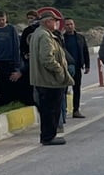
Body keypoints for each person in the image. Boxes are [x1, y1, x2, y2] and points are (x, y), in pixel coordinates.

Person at [29, 11, 74, 145]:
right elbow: (47, 59)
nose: (57, 23)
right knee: (51, 110)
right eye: (54, 21)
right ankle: (49, 136)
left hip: (44, 80)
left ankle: (48, 135)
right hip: (49, 80)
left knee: (47, 110)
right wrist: (60, 70)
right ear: (47, 22)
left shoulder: (39, 34)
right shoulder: (44, 36)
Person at [0, 11, 22, 107]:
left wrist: (17, 61)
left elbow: (16, 45)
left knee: (11, 80)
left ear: (6, 19)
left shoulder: (11, 29)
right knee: (1, 79)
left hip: (10, 59)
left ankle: (9, 99)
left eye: (3, 19)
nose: (1, 21)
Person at [62, 19, 90, 118]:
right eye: (67, 24)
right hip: (64, 68)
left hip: (78, 67)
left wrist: (87, 65)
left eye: (71, 24)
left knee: (77, 89)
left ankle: (76, 110)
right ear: (64, 26)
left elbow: (85, 51)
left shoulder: (80, 37)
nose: (69, 26)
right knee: (63, 90)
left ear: (74, 25)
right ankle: (63, 111)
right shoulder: (62, 39)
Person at [16, 10, 40, 105]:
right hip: (29, 61)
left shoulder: (40, 30)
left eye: (32, 18)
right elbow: (22, 46)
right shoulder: (27, 31)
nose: (30, 20)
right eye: (29, 18)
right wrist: (25, 54)